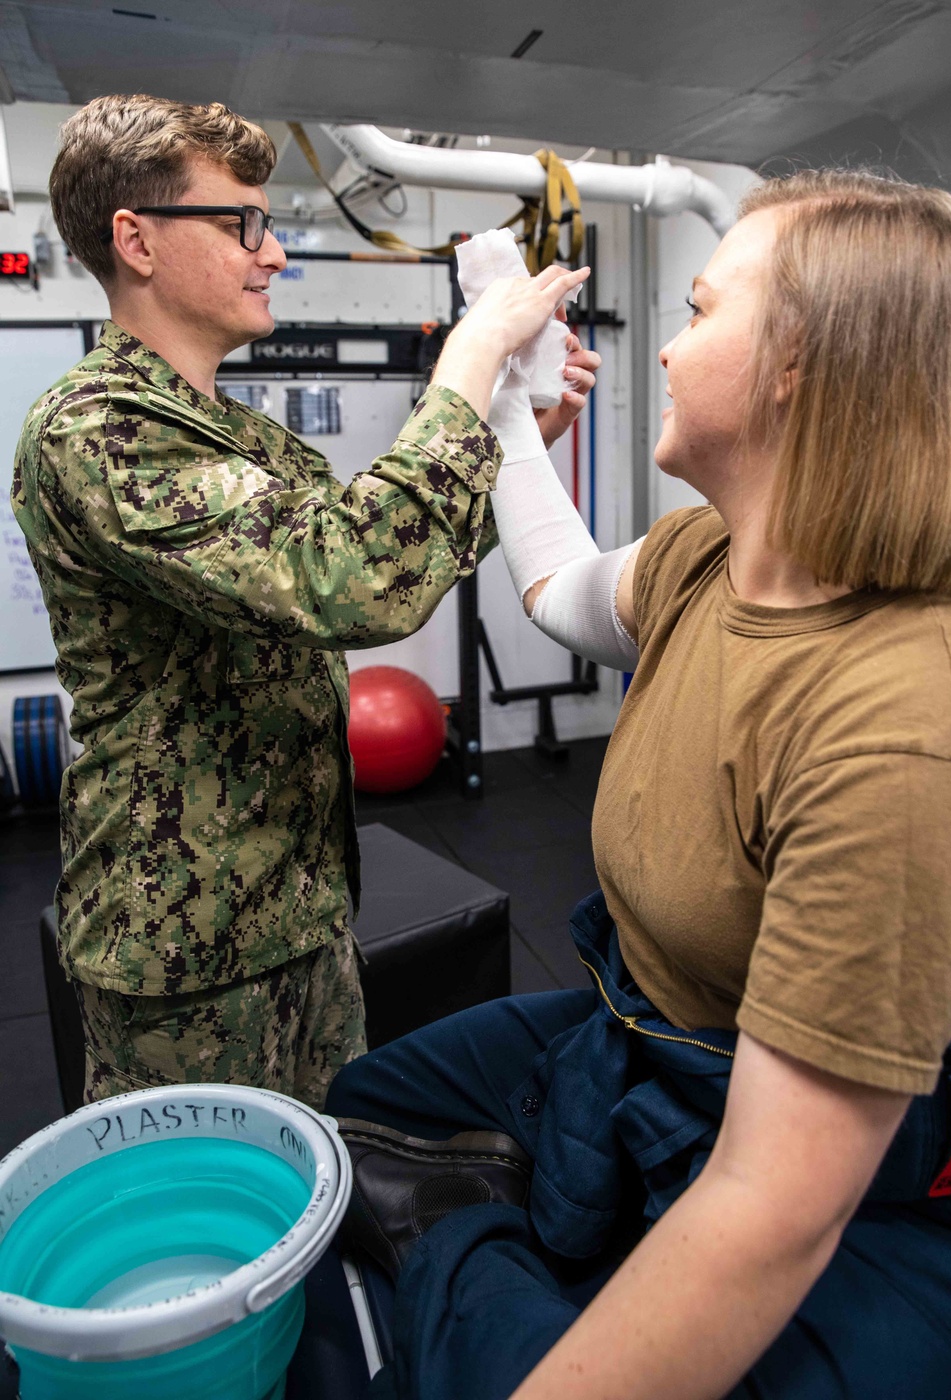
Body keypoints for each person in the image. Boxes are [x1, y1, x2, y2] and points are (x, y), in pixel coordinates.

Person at [329, 169, 951, 1399]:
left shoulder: (907, 719)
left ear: (800, 365)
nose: (672, 349)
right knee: (357, 1121)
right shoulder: (707, 556)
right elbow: (552, 578)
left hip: (875, 1168)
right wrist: (506, 397)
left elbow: (770, 1206)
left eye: (698, 311)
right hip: (661, 1025)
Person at [12, 93, 597, 1111]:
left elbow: (391, 544)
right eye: (241, 223)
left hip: (299, 908)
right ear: (136, 239)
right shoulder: (95, 431)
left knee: (330, 1190)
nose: (273, 252)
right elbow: (357, 579)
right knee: (212, 1233)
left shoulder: (243, 439)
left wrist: (521, 435)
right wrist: (470, 355)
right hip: (184, 948)